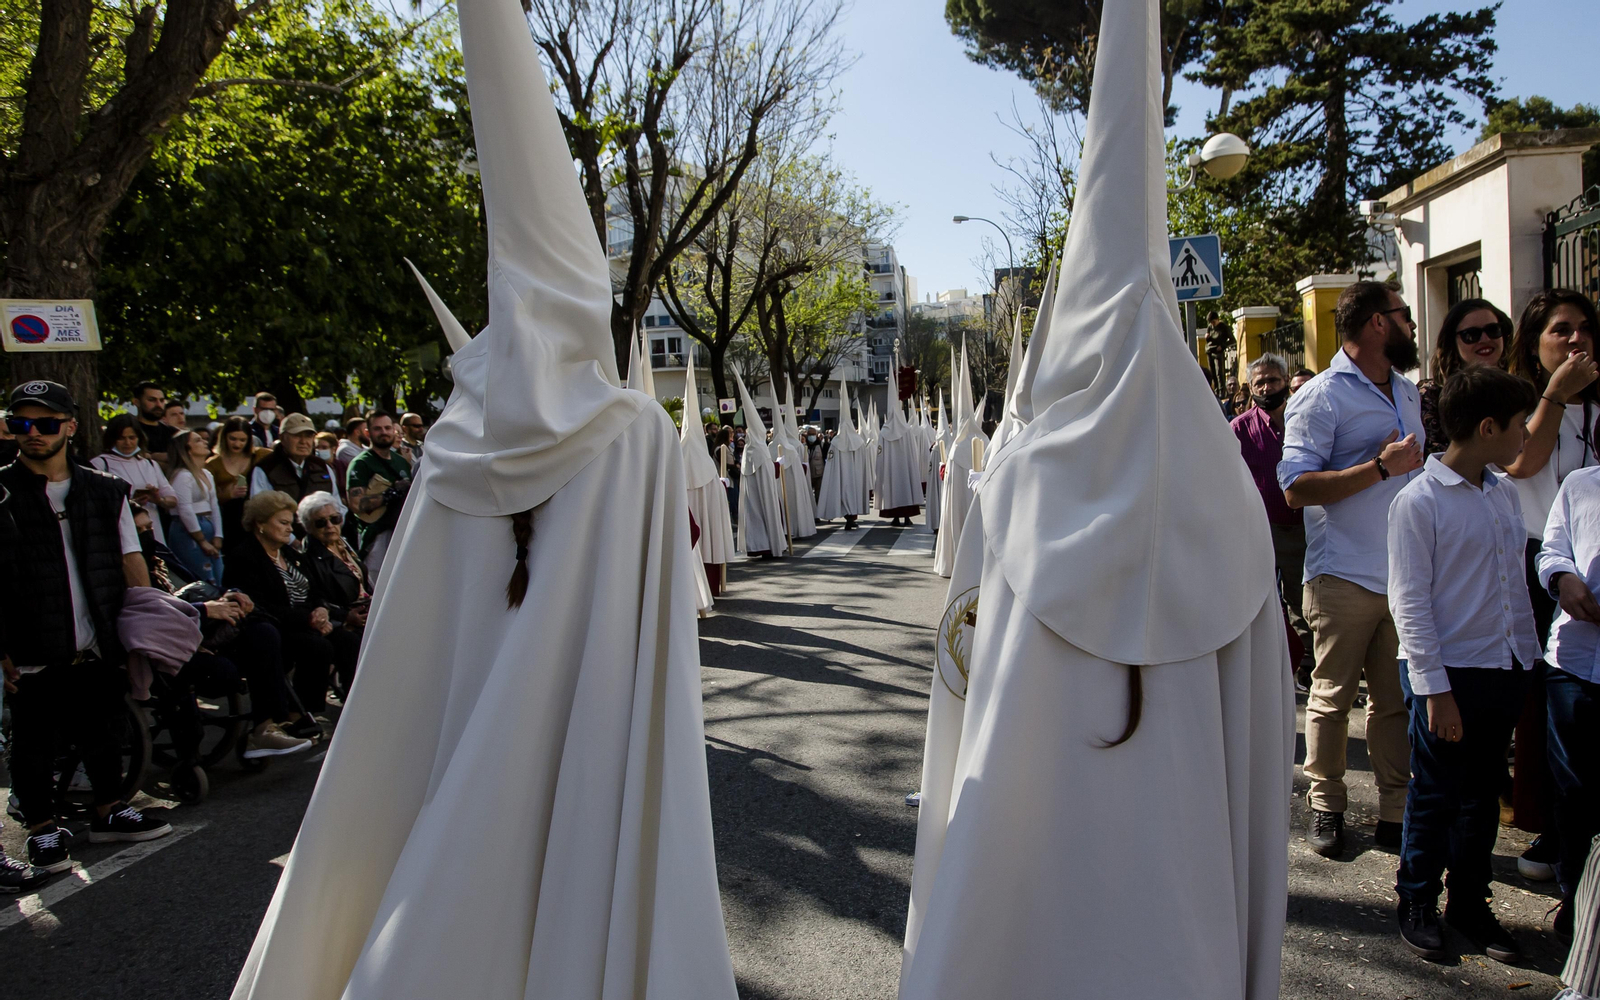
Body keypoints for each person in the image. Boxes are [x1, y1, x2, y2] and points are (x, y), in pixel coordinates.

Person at [230, 4, 738, 990]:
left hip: (453, 740)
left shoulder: (453, 441)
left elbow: (408, 649)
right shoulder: (631, 429)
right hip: (583, 743)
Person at [900, 3, 1291, 993]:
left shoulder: (1017, 484)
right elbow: (1257, 754)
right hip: (1186, 907)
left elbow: (962, 697)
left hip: (1019, 900)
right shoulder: (1233, 508)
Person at [1388, 365, 1540, 964]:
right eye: (1520, 424)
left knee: (1481, 797)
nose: (1526, 435)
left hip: (1502, 667)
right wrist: (1435, 690)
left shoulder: (1502, 492)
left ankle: (1470, 903)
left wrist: (1524, 661)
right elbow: (1410, 603)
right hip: (1447, 674)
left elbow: (1512, 587)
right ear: (1487, 427)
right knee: (1436, 794)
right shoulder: (1418, 502)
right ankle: (1417, 899)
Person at [1279, 279, 1426, 858]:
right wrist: (1379, 468)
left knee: (1394, 701)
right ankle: (1327, 804)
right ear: (1377, 323)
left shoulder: (1407, 391)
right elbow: (1295, 488)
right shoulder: (1321, 396)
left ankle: (1395, 813)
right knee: (1333, 697)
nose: (1412, 324)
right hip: (1342, 575)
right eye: (1404, 314)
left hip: (1405, 574)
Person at [0, 380, 171, 877]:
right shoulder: (1, 493)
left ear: (71, 427)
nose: (33, 432)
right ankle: (42, 828)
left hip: (96, 637)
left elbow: (130, 558)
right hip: (30, 643)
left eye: (46, 423)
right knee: (33, 741)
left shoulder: (105, 490)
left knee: (104, 728)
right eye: (20, 423)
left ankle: (108, 809)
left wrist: (144, 621)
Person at [1505, 289, 1600, 880]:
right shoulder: (1524, 399)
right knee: (1546, 703)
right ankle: (1553, 829)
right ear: (1535, 341)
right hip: (1540, 560)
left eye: (1584, 328)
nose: (1575, 339)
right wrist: (1556, 396)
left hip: (1595, 562)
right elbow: (1522, 463)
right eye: (1561, 330)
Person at [130, 505, 313, 758]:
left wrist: (228, 596)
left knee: (263, 632)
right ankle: (191, 753)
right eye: (138, 530)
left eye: (148, 527)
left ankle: (268, 726)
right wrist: (205, 610)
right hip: (167, 638)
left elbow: (195, 583)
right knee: (228, 666)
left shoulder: (160, 553)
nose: (146, 534)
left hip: (201, 625)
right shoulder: (125, 565)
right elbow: (148, 616)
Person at [1537, 421, 1600, 946]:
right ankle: (1575, 899)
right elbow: (1551, 550)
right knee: (1575, 793)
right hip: (1573, 665)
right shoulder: (1580, 486)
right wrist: (1563, 578)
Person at [225, 491, 355, 730]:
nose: (289, 529)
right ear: (260, 524)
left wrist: (320, 610)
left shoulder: (288, 553)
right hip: (273, 627)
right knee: (317, 646)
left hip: (307, 621)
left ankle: (356, 705)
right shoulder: (244, 557)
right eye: (283, 523)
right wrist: (309, 619)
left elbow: (314, 590)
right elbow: (260, 605)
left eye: (290, 523)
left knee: (348, 640)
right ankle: (298, 713)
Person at [1233, 352, 1314, 685]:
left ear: (1285, 382)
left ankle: (1307, 664)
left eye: (1273, 380)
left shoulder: (1304, 419)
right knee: (1262, 601)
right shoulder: (1239, 429)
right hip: (1260, 529)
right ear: (1251, 388)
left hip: (1303, 527)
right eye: (1259, 383)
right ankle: (1271, 668)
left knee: (1303, 601)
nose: (1267, 388)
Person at [1416, 298, 1515, 456]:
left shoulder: (1517, 392)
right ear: (1452, 343)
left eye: (1493, 330)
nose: (1485, 339)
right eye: (1471, 334)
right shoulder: (1431, 396)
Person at [297, 492, 367, 694]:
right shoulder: (309, 557)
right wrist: (346, 616)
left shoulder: (343, 543)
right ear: (308, 527)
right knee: (352, 642)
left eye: (335, 519)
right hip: (338, 618)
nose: (330, 526)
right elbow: (316, 598)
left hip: (363, 609)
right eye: (321, 523)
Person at [91, 413, 178, 546]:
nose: (128, 443)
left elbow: (172, 499)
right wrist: (131, 503)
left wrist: (158, 499)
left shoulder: (149, 464)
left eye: (132, 438)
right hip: (122, 533)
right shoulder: (100, 464)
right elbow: (95, 502)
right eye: (121, 438)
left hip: (153, 532)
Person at [345, 410, 412, 577]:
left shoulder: (402, 462)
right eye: (378, 428)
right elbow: (356, 504)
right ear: (367, 432)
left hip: (403, 532)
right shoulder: (361, 463)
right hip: (376, 537)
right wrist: (390, 494)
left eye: (387, 428)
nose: (384, 432)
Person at [166, 428, 226, 589]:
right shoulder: (183, 476)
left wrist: (218, 535)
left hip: (207, 524)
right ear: (187, 449)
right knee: (202, 576)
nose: (205, 442)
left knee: (218, 575)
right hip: (188, 530)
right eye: (198, 440)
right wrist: (201, 540)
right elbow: (185, 509)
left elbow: (214, 506)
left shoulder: (207, 474)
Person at [250, 412, 340, 512]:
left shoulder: (322, 467)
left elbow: (338, 506)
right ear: (282, 438)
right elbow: (259, 510)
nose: (303, 441)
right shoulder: (266, 468)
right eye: (297, 435)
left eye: (308, 436)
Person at [208, 416, 261, 554]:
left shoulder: (259, 455)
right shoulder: (213, 464)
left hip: (254, 517)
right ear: (224, 437)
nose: (237, 444)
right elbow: (208, 498)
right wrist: (228, 494)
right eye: (233, 439)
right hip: (227, 519)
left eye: (242, 440)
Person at [131, 380, 175, 460]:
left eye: (162, 400)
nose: (159, 405)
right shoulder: (129, 430)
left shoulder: (172, 433)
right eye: (152, 400)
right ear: (137, 402)